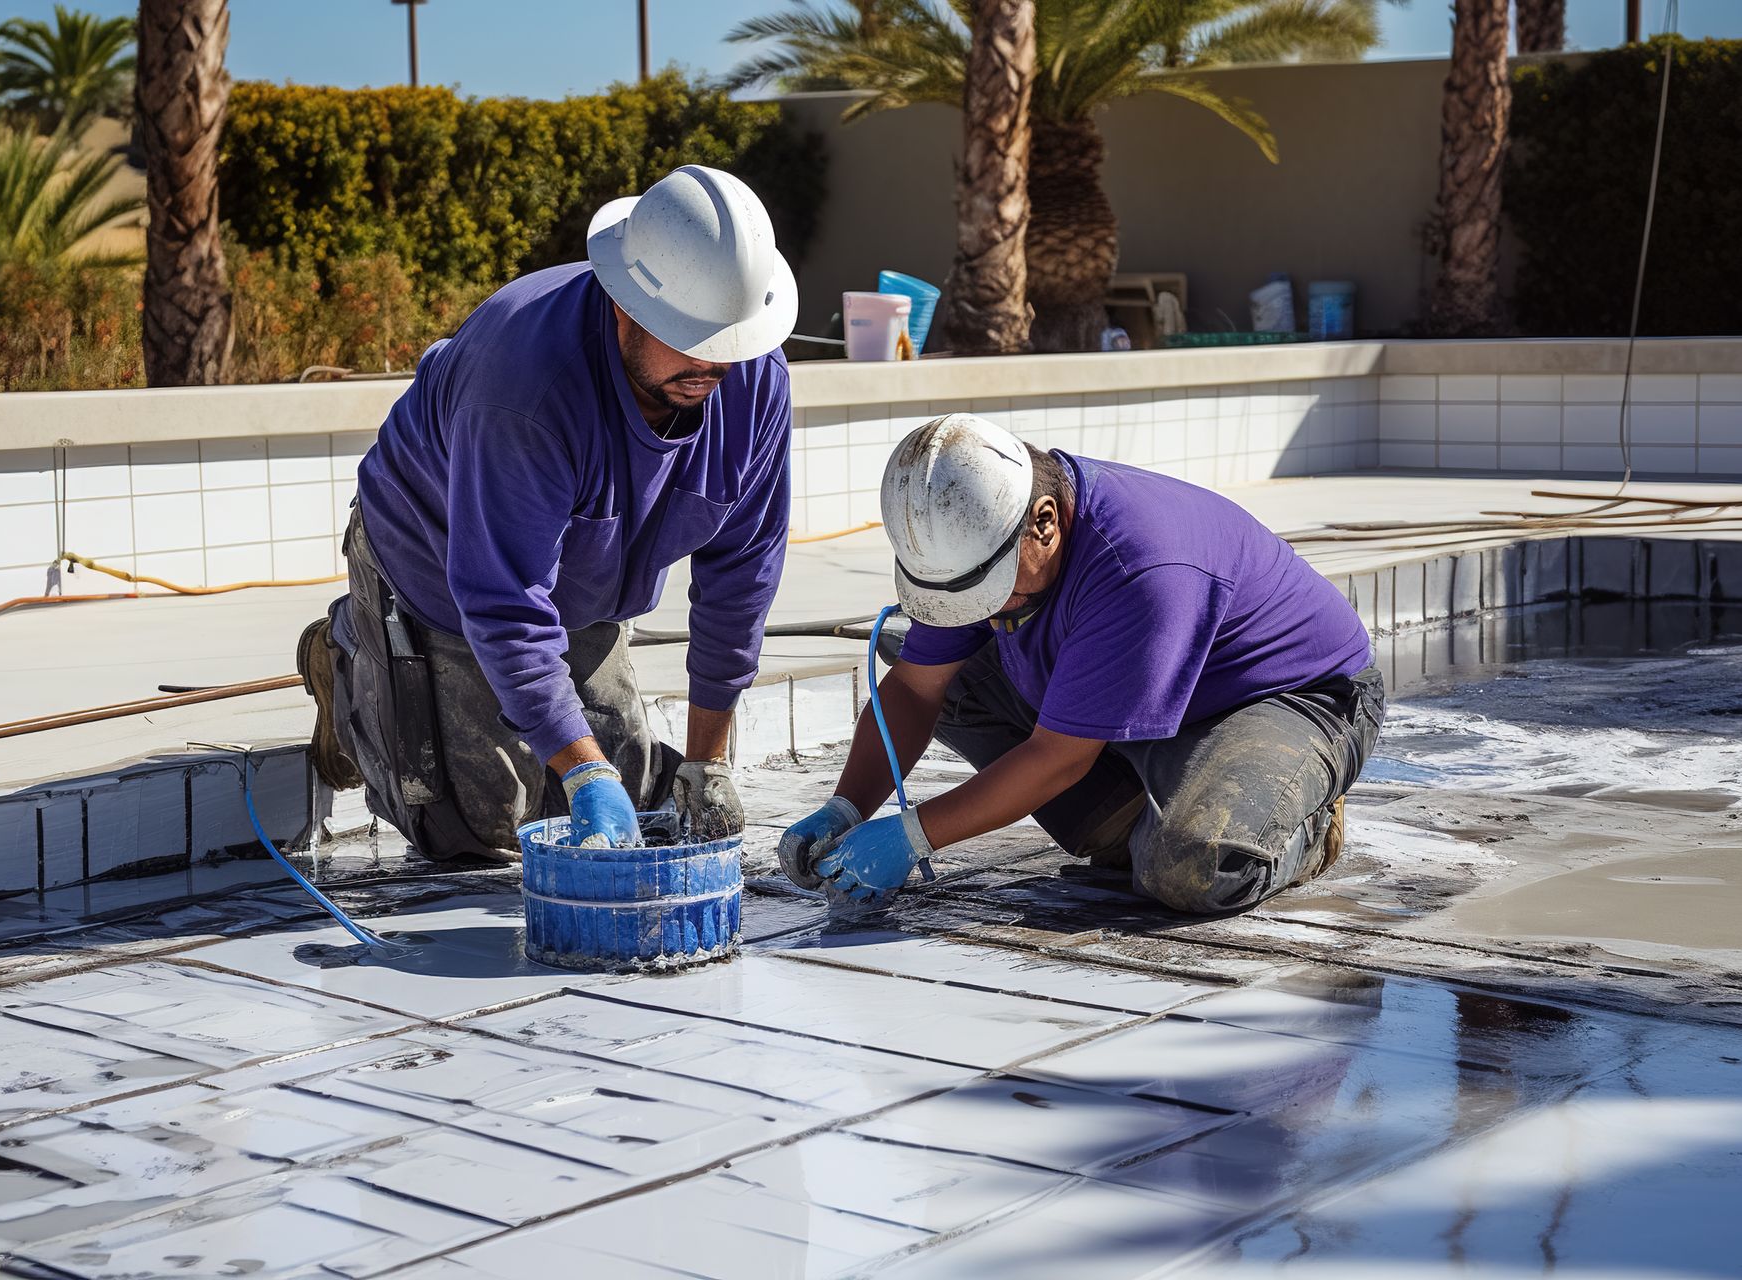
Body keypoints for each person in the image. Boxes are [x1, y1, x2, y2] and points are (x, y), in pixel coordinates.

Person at [298, 165, 796, 857]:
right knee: (481, 830)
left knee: (645, 802)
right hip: (440, 563)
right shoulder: (525, 386)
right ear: (624, 306)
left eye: (728, 344)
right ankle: (349, 659)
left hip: (585, 582)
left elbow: (743, 578)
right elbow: (502, 599)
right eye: (690, 338)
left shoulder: (754, 380)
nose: (714, 364)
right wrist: (584, 769)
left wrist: (708, 765)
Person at [777, 413, 1382, 914]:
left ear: (1044, 523)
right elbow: (914, 690)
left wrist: (913, 837)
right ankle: (1129, 820)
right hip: (1146, 693)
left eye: (995, 597)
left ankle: (1298, 825)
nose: (984, 618)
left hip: (1286, 700)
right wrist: (847, 807)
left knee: (1194, 868)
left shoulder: (1140, 569)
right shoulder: (970, 541)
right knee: (947, 677)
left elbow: (1058, 757)